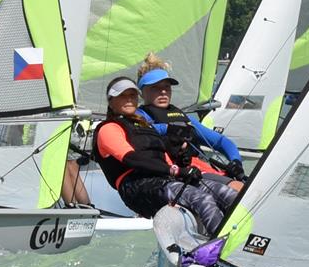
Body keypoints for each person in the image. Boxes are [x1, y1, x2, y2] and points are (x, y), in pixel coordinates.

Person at [90, 76, 238, 234]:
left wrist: (181, 160)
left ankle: (241, 239)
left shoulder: (144, 126)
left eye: (132, 95)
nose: (129, 99)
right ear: (111, 101)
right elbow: (131, 158)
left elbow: (163, 158)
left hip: (163, 180)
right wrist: (175, 170)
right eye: (122, 96)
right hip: (137, 186)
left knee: (228, 195)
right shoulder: (108, 128)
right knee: (201, 198)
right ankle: (221, 243)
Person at [134, 63, 243, 179]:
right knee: (236, 187)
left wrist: (236, 162)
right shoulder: (138, 116)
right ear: (141, 92)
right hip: (175, 175)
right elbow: (135, 132)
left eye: (167, 87)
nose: (163, 92)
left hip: (201, 170)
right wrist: (167, 128)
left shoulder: (184, 118)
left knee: (240, 185)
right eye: (155, 88)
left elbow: (221, 141)